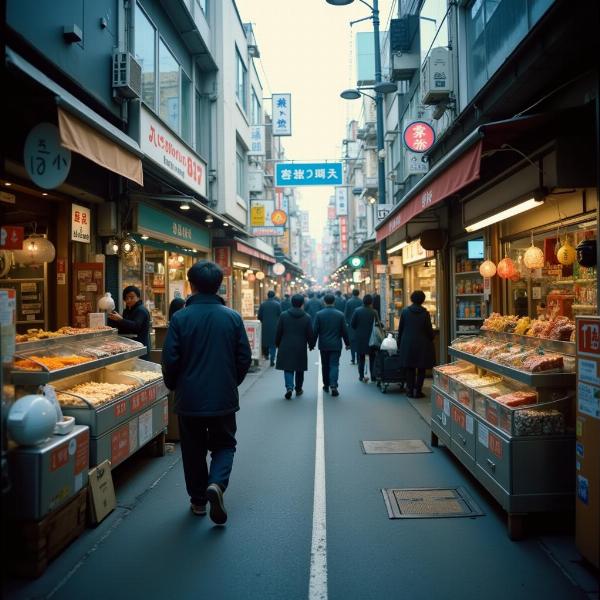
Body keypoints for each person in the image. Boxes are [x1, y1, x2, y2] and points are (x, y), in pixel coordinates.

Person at [162, 260, 252, 525]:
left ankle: (198, 501)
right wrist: (230, 381)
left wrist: (174, 385)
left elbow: (170, 359)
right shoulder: (232, 317)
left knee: (193, 450)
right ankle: (217, 484)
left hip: (189, 398)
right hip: (223, 397)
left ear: (191, 285)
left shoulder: (180, 318)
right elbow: (243, 358)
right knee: (225, 444)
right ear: (219, 286)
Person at [275, 294, 314, 399]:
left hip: (285, 345)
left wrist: (277, 343)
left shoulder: (284, 315)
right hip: (300, 346)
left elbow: (278, 331)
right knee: (299, 369)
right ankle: (298, 388)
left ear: (292, 302)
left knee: (288, 368)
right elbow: (310, 333)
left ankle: (289, 387)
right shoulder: (307, 317)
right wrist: (311, 345)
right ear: (302, 303)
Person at [397, 290, 436, 399]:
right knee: (421, 368)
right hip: (422, 345)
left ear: (411, 299)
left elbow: (401, 329)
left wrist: (399, 344)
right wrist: (432, 337)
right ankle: (418, 391)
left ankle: (409, 391)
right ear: (423, 300)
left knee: (410, 368)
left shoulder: (405, 312)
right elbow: (429, 330)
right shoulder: (425, 313)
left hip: (408, 344)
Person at [313, 294, 349, 396]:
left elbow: (315, 330)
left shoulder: (319, 314)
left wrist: (312, 344)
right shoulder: (340, 315)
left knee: (325, 365)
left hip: (324, 344)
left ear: (324, 302)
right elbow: (344, 331)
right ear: (334, 302)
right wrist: (347, 343)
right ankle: (333, 385)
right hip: (336, 344)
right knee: (334, 365)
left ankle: (326, 385)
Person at [108, 285, 151, 359]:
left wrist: (120, 320)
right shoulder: (127, 310)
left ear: (138, 297)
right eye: (126, 298)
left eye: (131, 297)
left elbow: (136, 327)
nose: (128, 300)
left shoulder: (141, 310)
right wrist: (114, 321)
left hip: (140, 347)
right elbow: (126, 328)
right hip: (130, 347)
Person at [351, 294, 379, 382]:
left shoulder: (357, 311)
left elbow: (352, 324)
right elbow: (378, 324)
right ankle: (373, 376)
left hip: (360, 338)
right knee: (373, 357)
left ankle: (361, 375)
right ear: (371, 302)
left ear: (363, 301)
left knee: (361, 357)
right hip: (372, 338)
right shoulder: (374, 312)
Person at [258, 290, 281, 366]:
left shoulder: (263, 304)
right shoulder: (277, 304)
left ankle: (266, 355)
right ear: (274, 296)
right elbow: (280, 315)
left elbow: (259, 316)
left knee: (265, 342)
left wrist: (263, 321)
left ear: (267, 295)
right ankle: (272, 359)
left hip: (265, 326)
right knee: (273, 344)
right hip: (275, 326)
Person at [344, 289, 362, 364]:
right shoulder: (361, 301)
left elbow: (346, 313)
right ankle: (358, 358)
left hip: (350, 324)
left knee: (352, 341)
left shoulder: (349, 302)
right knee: (358, 341)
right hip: (359, 324)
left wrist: (346, 323)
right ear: (358, 293)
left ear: (352, 294)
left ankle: (353, 358)